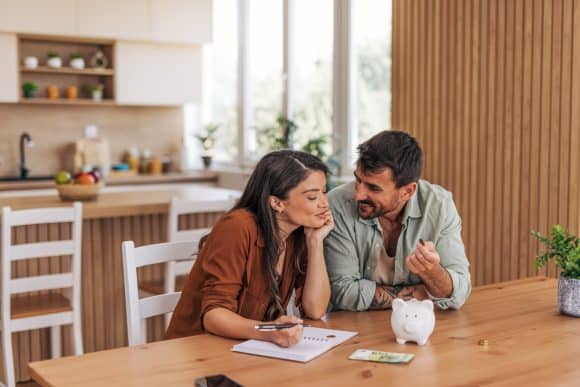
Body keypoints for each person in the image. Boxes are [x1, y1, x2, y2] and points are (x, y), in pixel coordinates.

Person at [166, 150, 333, 348]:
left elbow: (315, 309)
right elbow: (214, 316)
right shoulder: (237, 227)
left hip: (246, 349)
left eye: (324, 191)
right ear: (277, 203)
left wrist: (315, 242)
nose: (324, 203)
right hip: (196, 350)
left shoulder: (298, 233)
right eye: (313, 197)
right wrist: (269, 332)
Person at [324, 130, 471, 311]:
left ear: (407, 191)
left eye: (373, 188)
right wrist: (425, 292)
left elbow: (459, 292)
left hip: (419, 327)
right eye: (358, 179)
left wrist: (432, 272)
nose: (358, 194)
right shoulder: (338, 205)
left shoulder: (439, 206)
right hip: (352, 328)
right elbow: (343, 292)